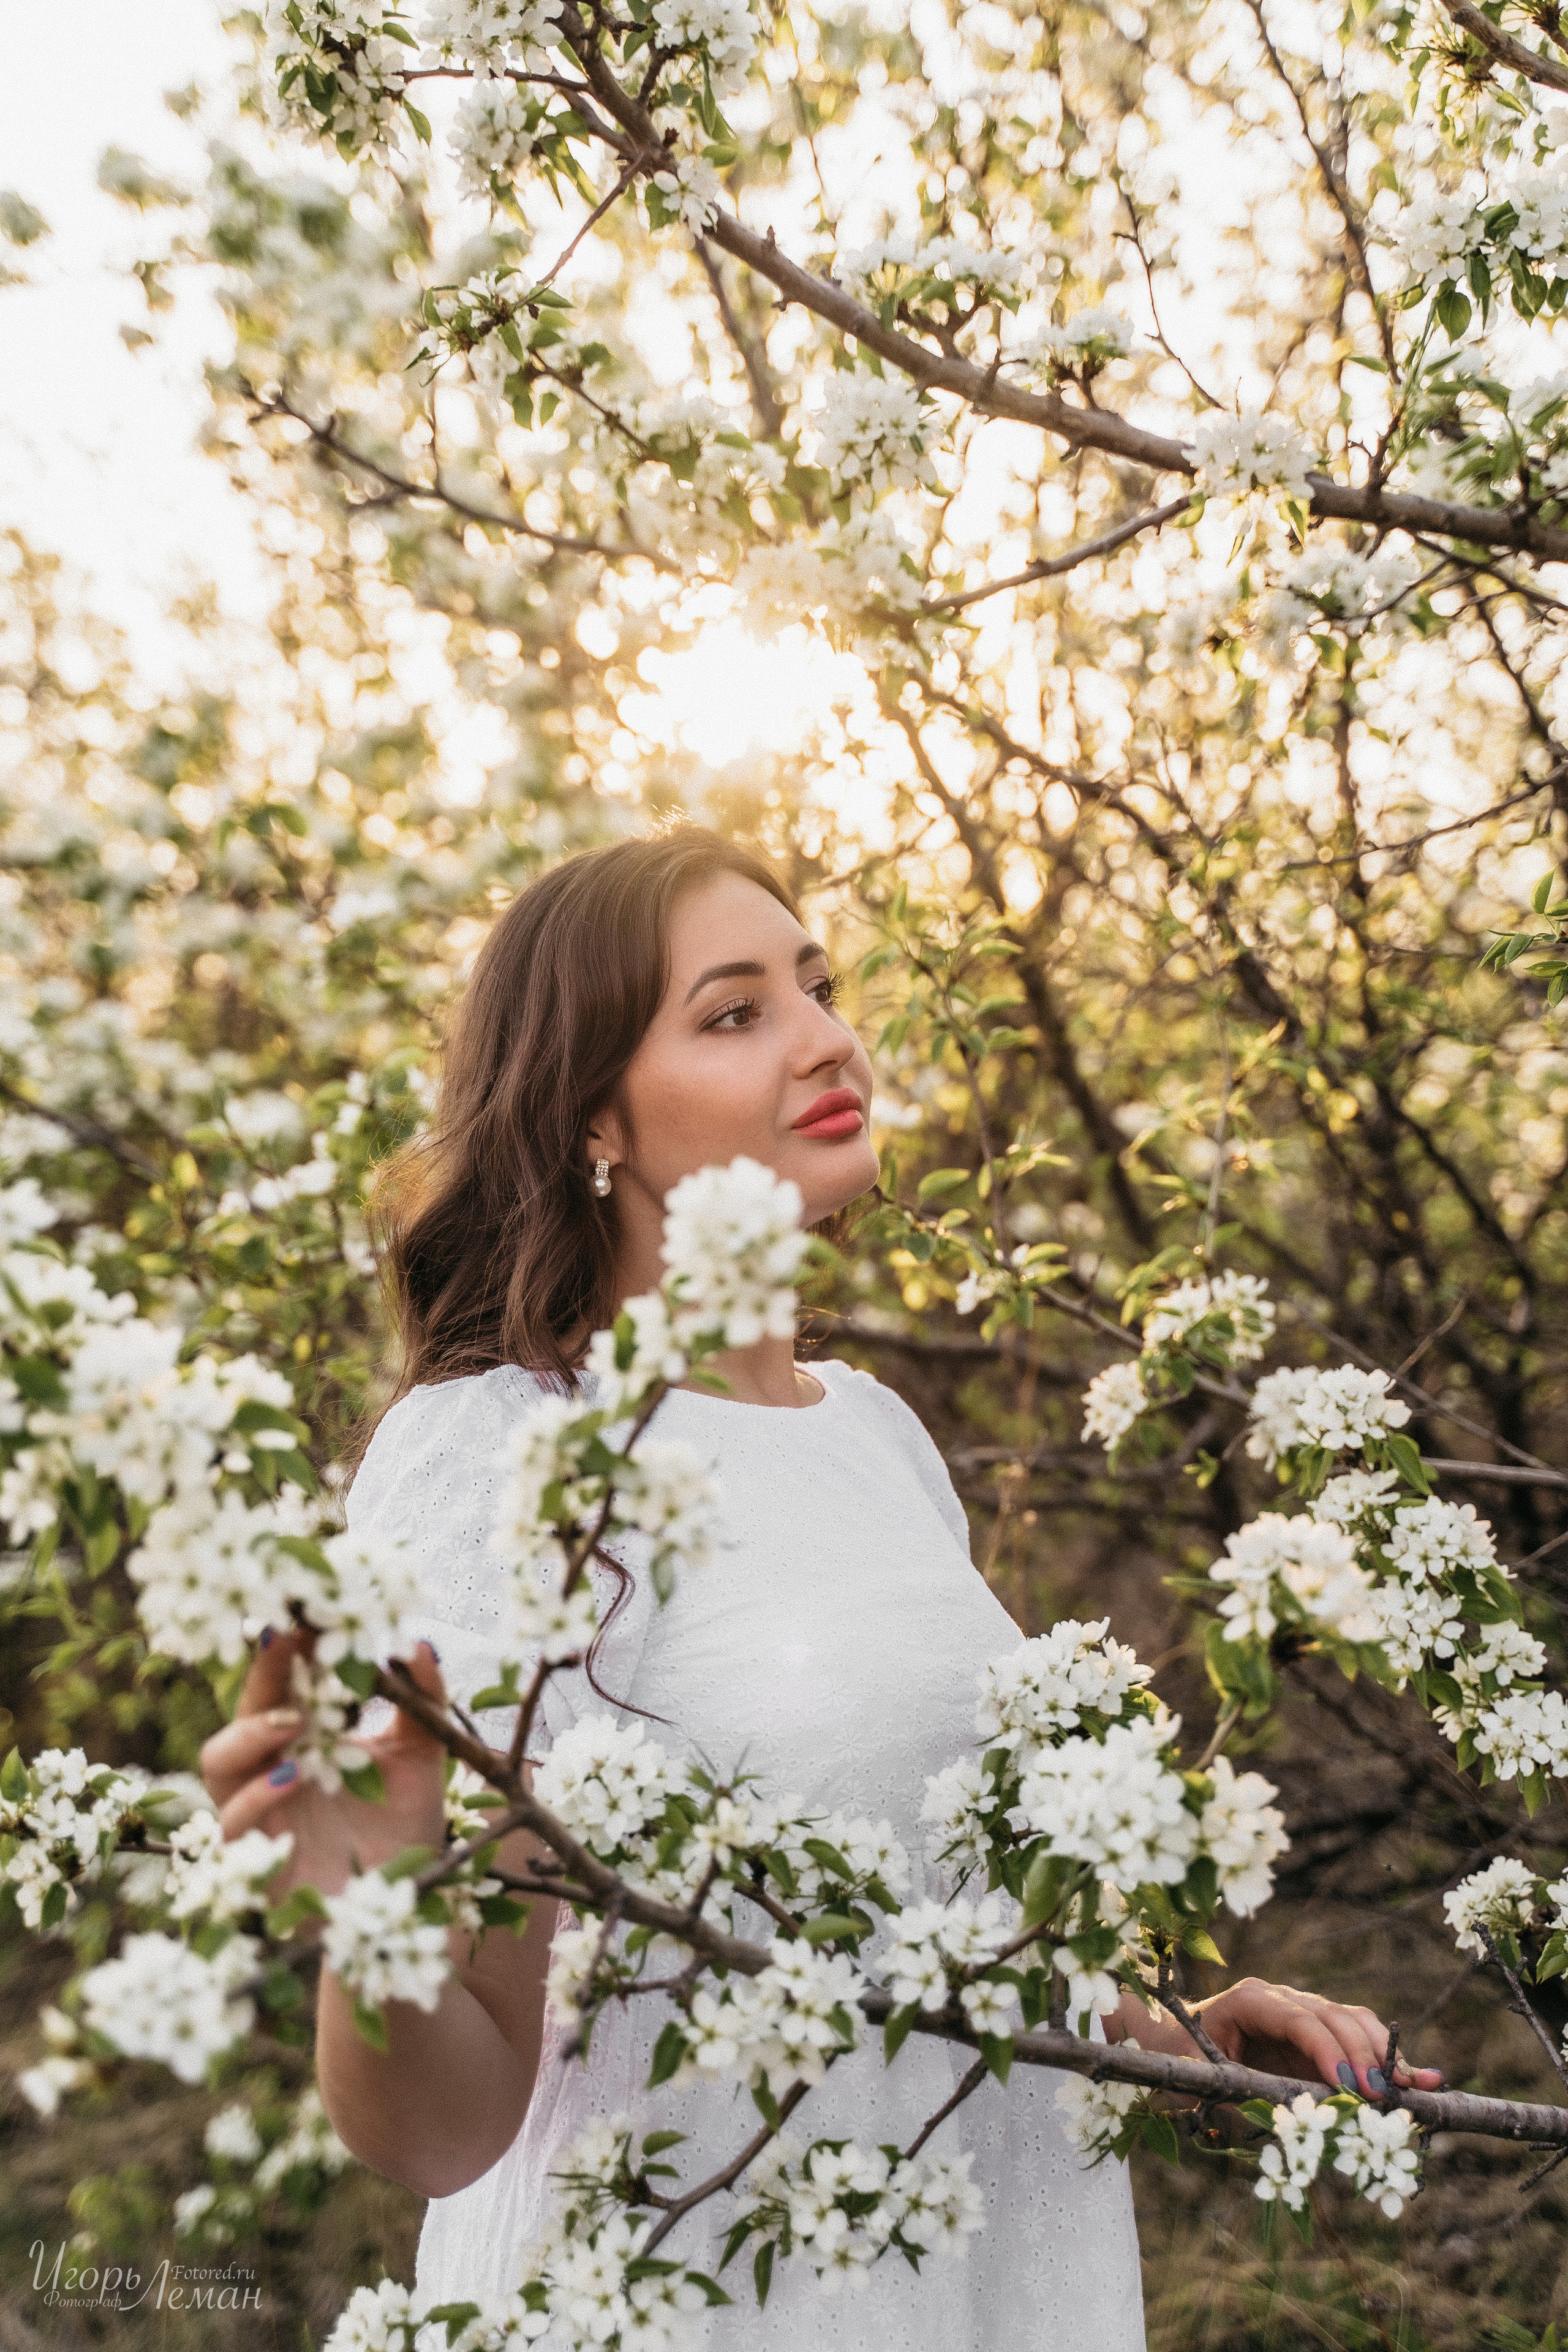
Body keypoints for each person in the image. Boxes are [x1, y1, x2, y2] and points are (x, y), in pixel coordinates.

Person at [200, 826, 1442, 2349]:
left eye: (819, 984)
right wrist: (378, 1918)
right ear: (591, 1116)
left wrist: (1162, 2028)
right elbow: (448, 2128)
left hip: (989, 2282)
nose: (824, 1037)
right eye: (734, 1013)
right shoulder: (501, 1456)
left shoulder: (872, 1432)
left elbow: (919, 1897)